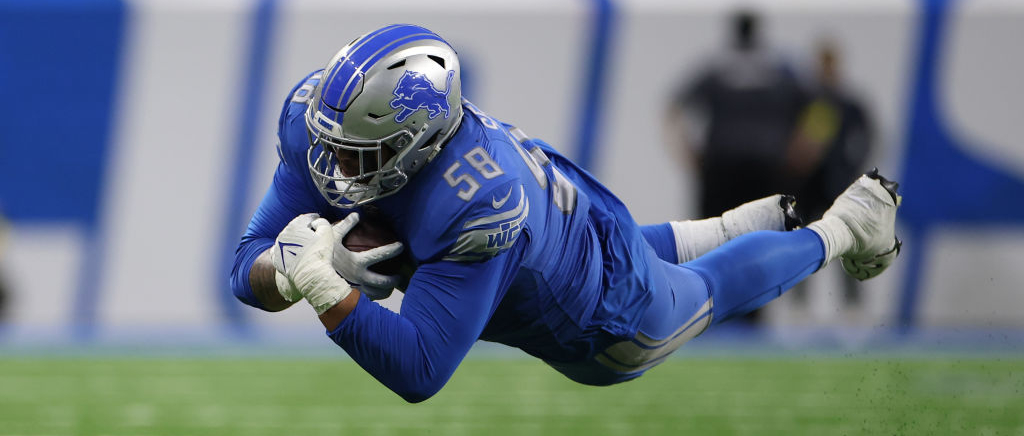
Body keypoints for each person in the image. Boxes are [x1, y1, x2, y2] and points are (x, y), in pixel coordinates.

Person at [230, 24, 902, 403]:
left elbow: (419, 369)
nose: (334, 169)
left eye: (361, 155)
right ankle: (734, 226)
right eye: (332, 145)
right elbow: (244, 265)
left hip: (600, 318)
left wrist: (324, 289)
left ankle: (846, 225)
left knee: (707, 289)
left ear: (419, 141)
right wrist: (282, 270)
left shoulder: (473, 202)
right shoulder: (316, 122)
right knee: (636, 252)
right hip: (572, 221)